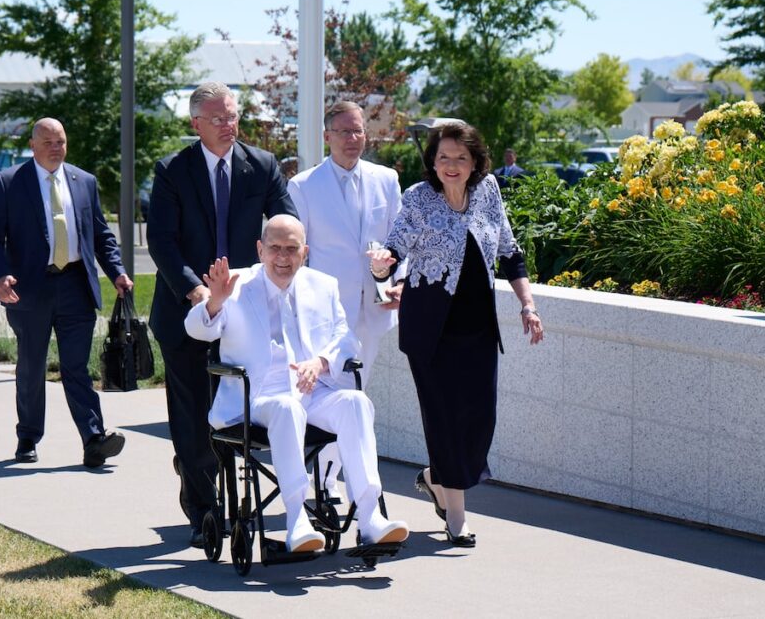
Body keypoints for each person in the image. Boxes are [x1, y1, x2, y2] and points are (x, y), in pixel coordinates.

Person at [184, 215, 409, 553]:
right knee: (287, 408)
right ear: (260, 249)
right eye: (274, 248)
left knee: (356, 402)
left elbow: (345, 339)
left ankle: (369, 516)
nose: (283, 257)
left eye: (291, 249)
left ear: (304, 252)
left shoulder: (322, 285)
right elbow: (198, 330)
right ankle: (296, 521)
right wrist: (214, 301)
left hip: (312, 392)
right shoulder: (236, 284)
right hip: (256, 399)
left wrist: (320, 363)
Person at [368, 122, 544, 548]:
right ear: (433, 160)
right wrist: (380, 267)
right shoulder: (418, 197)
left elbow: (509, 251)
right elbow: (394, 252)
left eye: (460, 158)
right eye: (443, 157)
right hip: (430, 330)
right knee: (444, 419)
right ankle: (456, 518)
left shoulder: (489, 192)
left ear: (475, 162)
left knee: (479, 419)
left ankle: (434, 479)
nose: (451, 165)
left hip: (478, 326)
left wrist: (528, 304)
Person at [147, 81, 297, 548]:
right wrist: (198, 293)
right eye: (218, 119)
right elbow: (162, 242)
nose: (229, 125)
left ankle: (235, 501)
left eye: (233, 116)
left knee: (235, 414)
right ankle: (204, 511)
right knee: (193, 417)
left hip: (246, 321)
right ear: (196, 123)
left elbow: (285, 224)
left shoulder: (263, 166)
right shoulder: (172, 170)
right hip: (187, 314)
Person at [0, 117, 134, 469]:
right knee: (32, 365)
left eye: (61, 142)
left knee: (76, 366)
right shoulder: (9, 183)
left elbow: (100, 235)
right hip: (29, 290)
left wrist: (118, 272)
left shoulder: (84, 182)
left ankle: (94, 439)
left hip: (75, 285)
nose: (55, 148)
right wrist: (0, 276)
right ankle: (28, 436)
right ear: (33, 146)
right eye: (48, 142)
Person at [287, 100, 405, 501]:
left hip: (375, 305)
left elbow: (398, 240)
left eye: (358, 131)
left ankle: (325, 476)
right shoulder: (303, 186)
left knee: (356, 392)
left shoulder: (386, 179)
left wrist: (399, 281)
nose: (352, 139)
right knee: (333, 392)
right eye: (343, 132)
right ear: (327, 137)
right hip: (327, 313)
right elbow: (298, 253)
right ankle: (324, 478)